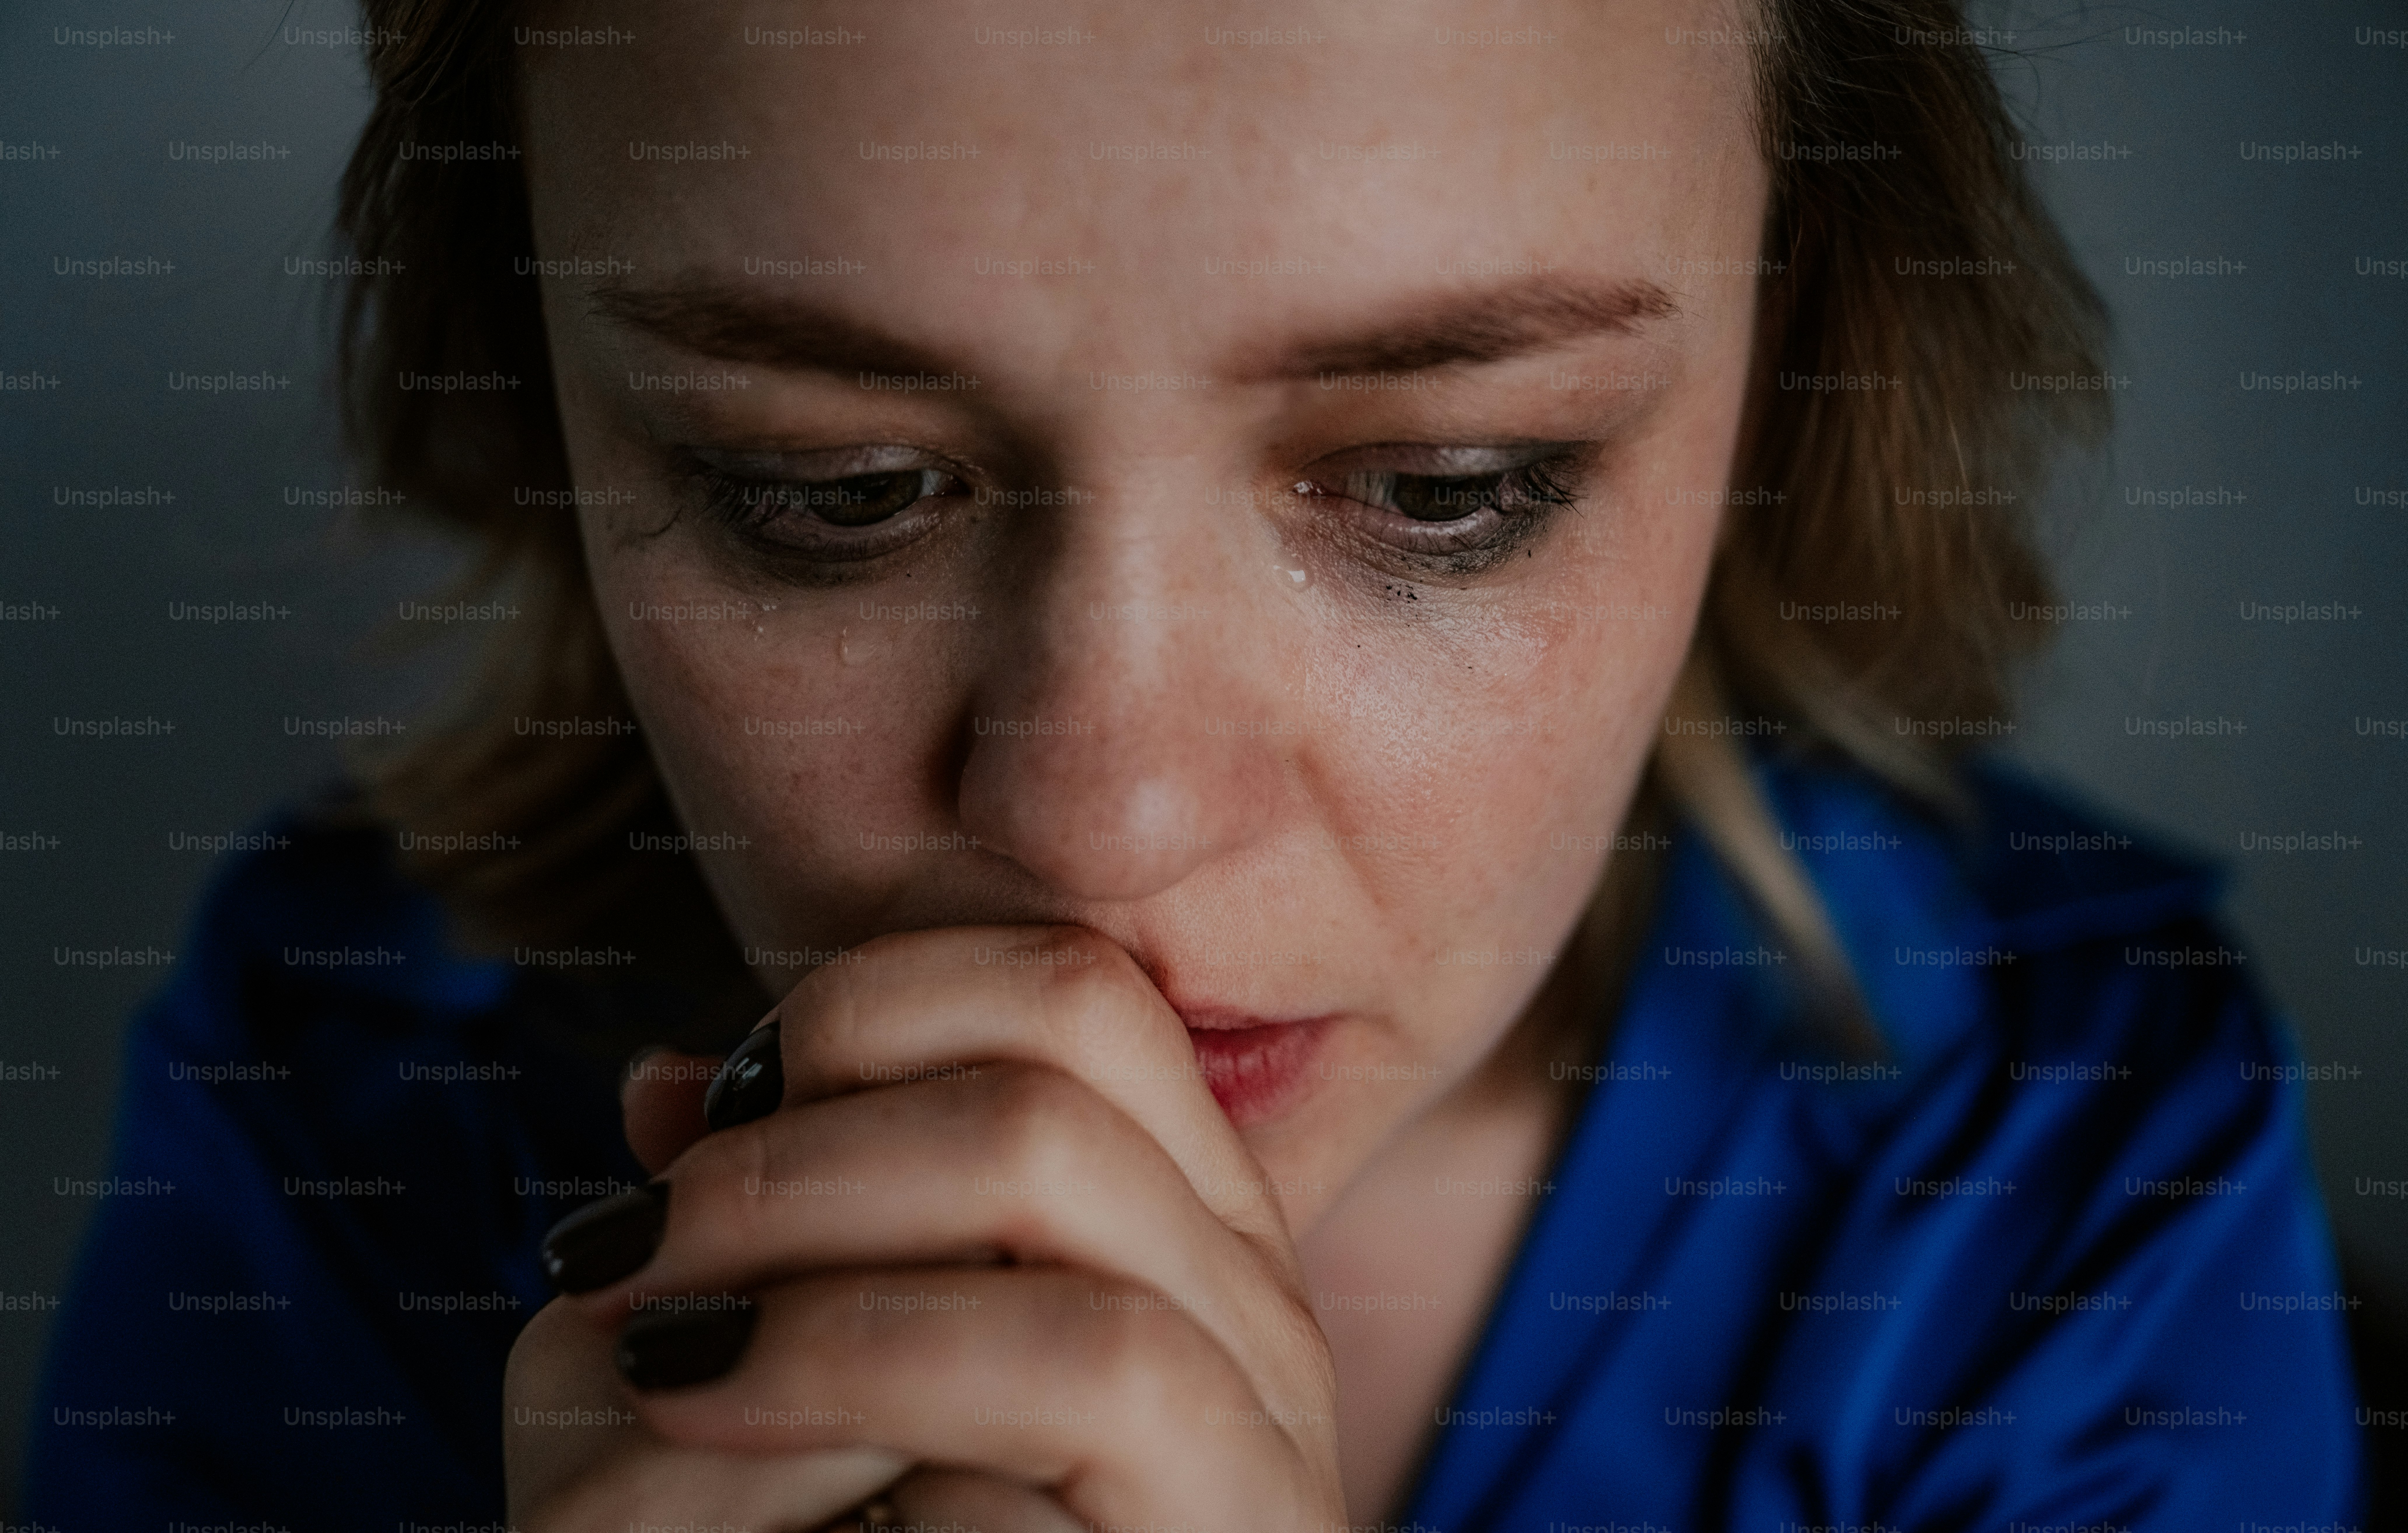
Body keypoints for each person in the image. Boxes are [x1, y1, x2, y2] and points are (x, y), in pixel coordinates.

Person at [28, 0, 2367, 1528]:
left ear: (1795, 361)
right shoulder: (325, 1110)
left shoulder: (2075, 1180)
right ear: (541, 394)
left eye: (1451, 484)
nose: (1101, 817)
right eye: (827, 492)